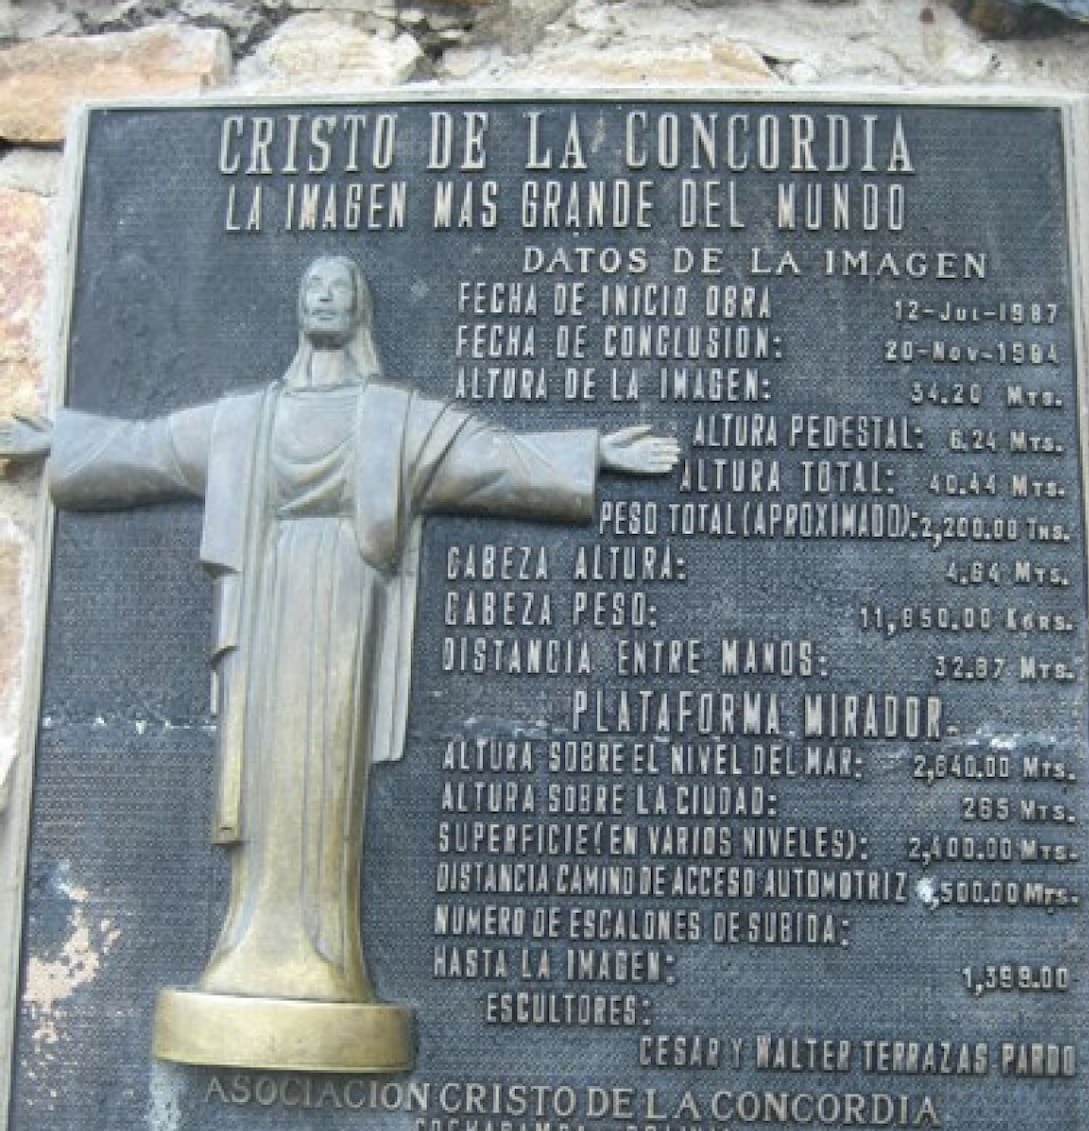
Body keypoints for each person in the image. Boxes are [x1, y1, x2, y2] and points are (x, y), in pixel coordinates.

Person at [1, 255, 679, 1067]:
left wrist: (591, 452)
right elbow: (149, 451)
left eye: (337, 287)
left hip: (345, 608)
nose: (322, 296)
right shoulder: (246, 419)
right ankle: (246, 950)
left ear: (359, 310)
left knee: (322, 779)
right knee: (263, 780)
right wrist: (64, 442)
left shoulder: (392, 418)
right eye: (311, 286)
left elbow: (489, 460)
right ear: (298, 309)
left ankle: (325, 957)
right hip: (265, 612)